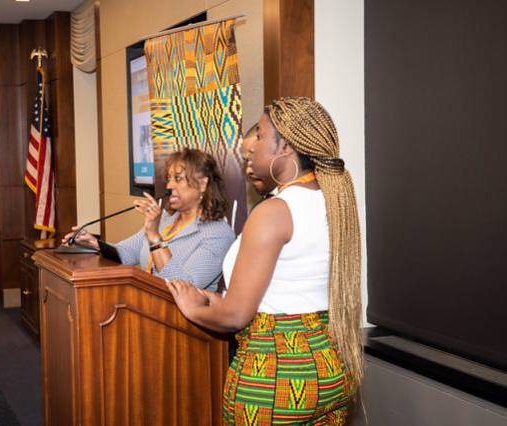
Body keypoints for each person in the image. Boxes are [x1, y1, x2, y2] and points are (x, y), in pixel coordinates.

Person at [166, 97, 362, 424]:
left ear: (284, 146)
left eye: (259, 134)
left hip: (276, 375)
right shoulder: (333, 200)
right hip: (330, 364)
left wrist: (192, 308)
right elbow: (286, 288)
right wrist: (216, 298)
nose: (249, 143)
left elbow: (235, 316)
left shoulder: (273, 212)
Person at [64, 148, 236, 291]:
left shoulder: (218, 234)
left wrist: (155, 237)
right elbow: (126, 253)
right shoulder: (166, 220)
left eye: (178, 179)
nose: (169, 186)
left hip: (183, 325)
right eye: (168, 179)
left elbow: (183, 286)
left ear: (202, 184)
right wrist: (95, 244)